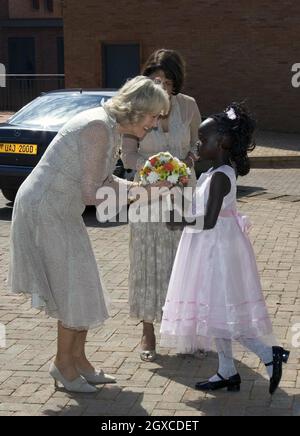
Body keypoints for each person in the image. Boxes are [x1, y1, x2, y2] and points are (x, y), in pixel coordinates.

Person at [8, 76, 170, 393]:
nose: (154, 123)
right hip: (45, 211)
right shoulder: (98, 127)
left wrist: (145, 190)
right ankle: (63, 367)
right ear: (137, 110)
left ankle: (78, 361)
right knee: (73, 288)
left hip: (60, 211)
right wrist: (142, 192)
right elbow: (92, 194)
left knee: (82, 284)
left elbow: (105, 181)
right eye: (153, 115)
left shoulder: (109, 127)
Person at [160, 103, 289, 395]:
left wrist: (177, 222)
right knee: (215, 310)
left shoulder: (220, 176)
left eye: (202, 140)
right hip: (213, 246)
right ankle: (227, 371)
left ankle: (270, 353)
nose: (198, 144)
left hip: (216, 250)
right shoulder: (214, 172)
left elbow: (207, 220)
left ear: (222, 143)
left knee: (224, 311)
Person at [122, 49, 201, 362]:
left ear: (175, 81)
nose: (163, 86)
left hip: (183, 195)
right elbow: (127, 154)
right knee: (148, 260)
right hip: (148, 197)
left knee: (183, 262)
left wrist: (187, 162)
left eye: (167, 80)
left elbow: (195, 143)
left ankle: (185, 332)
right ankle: (148, 330)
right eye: (156, 79)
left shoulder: (189, 106)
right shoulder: (137, 108)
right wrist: (155, 171)